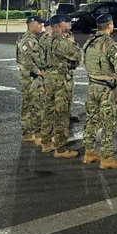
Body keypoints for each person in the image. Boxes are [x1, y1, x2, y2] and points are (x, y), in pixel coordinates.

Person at [81, 14, 117, 169]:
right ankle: (107, 157)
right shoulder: (110, 44)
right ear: (110, 25)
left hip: (92, 85)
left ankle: (89, 151)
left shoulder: (89, 42)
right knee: (109, 122)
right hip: (107, 88)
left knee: (92, 118)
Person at [40, 15, 83, 159]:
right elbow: (77, 55)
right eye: (64, 22)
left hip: (49, 79)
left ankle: (46, 142)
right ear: (59, 25)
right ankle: (60, 148)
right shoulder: (61, 42)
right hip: (60, 81)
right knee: (61, 114)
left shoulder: (45, 40)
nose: (67, 24)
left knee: (48, 110)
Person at [16, 15, 45, 144]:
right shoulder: (27, 40)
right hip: (30, 78)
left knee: (29, 105)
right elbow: (26, 61)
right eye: (39, 24)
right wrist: (39, 72)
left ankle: (28, 133)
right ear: (32, 24)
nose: (41, 27)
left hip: (29, 77)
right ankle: (37, 134)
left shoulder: (32, 39)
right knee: (35, 105)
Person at [33, 19, 56, 151]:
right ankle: (44, 138)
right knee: (47, 108)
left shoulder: (42, 40)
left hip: (45, 76)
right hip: (47, 77)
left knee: (44, 107)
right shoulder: (47, 40)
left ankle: (43, 137)